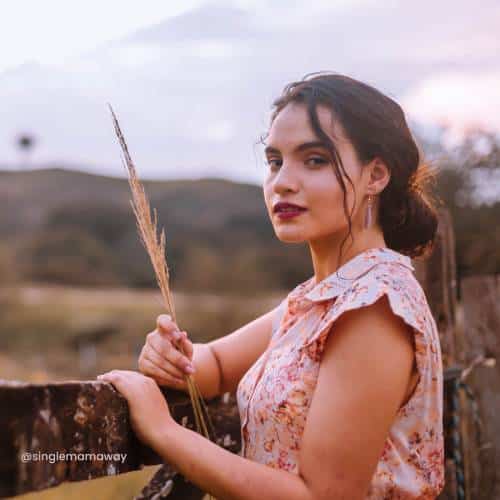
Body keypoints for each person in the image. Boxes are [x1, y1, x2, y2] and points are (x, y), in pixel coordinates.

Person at [97, 72, 445, 499]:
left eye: (314, 159)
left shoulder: (374, 309)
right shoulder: (321, 298)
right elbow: (218, 366)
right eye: (275, 161)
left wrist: (162, 430)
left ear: (375, 175)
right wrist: (170, 356)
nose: (282, 181)